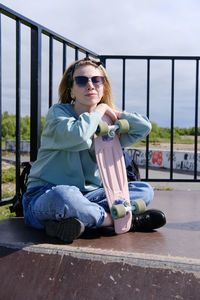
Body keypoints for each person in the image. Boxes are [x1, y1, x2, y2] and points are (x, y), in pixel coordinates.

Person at [22, 57, 166, 243]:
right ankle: (117, 220)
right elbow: (79, 135)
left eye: (97, 80)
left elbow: (143, 127)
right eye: (82, 81)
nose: (90, 85)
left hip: (90, 196)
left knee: (144, 190)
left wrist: (110, 111)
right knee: (65, 196)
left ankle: (73, 222)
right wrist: (98, 111)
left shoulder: (107, 122)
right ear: (71, 90)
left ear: (103, 87)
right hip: (45, 194)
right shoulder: (58, 114)